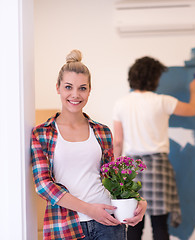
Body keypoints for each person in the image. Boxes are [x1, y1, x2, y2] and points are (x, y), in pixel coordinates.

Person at [31, 49, 147, 240]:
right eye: (68, 87)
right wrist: (89, 210)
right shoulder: (42, 133)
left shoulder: (102, 131)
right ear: (58, 87)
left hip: (109, 222)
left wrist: (138, 201)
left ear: (89, 90)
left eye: (82, 88)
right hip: (66, 225)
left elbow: (113, 178)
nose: (75, 95)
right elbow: (43, 185)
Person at [112, 56, 195, 240]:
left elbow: (118, 143)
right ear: (154, 78)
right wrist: (194, 90)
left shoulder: (121, 104)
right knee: (160, 225)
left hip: (132, 168)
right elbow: (194, 110)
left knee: (133, 224)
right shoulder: (162, 101)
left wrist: (114, 174)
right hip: (158, 166)